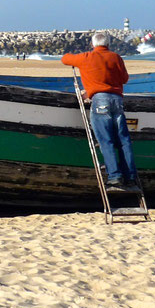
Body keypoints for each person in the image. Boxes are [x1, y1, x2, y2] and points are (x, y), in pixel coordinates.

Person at [61, 33, 138, 191]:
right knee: (123, 141)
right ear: (108, 44)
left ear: (93, 44)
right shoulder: (116, 57)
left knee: (106, 140)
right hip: (117, 100)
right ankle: (130, 177)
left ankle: (115, 176)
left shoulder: (87, 57)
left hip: (100, 100)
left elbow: (65, 59)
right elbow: (124, 79)